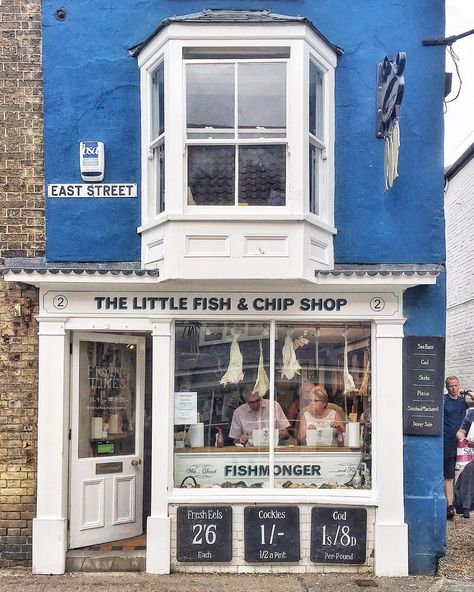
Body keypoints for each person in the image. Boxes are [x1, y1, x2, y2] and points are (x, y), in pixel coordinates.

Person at [443, 376, 470, 519]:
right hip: (448, 442)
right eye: (451, 386)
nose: (454, 388)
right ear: (447, 387)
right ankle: (449, 505)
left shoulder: (463, 401)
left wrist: (467, 391)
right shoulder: (443, 400)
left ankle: (461, 502)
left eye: (456, 385)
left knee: (462, 473)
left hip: (462, 444)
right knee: (448, 475)